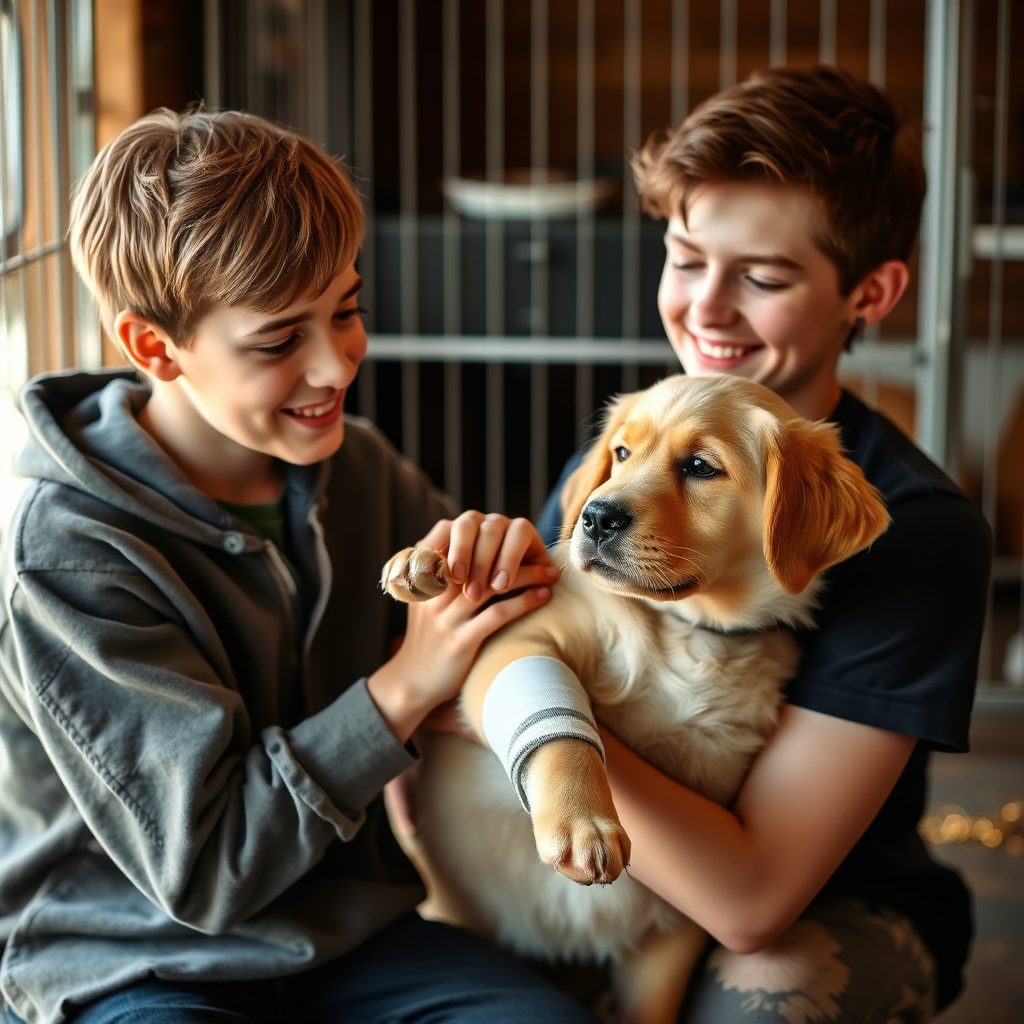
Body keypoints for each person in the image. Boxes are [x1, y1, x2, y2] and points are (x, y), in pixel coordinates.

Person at [0, 108, 596, 1024]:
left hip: (351, 930)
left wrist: (505, 571)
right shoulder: (64, 554)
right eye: (279, 341)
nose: (336, 365)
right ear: (155, 347)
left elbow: (490, 626)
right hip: (133, 959)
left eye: (346, 309)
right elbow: (203, 873)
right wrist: (403, 688)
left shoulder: (354, 463)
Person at [536, 65, 991, 1022]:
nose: (706, 308)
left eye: (764, 277)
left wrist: (519, 722)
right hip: (589, 871)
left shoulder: (918, 531)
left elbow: (750, 899)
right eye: (687, 255)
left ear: (872, 291)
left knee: (765, 1005)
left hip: (814, 900)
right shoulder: (627, 456)